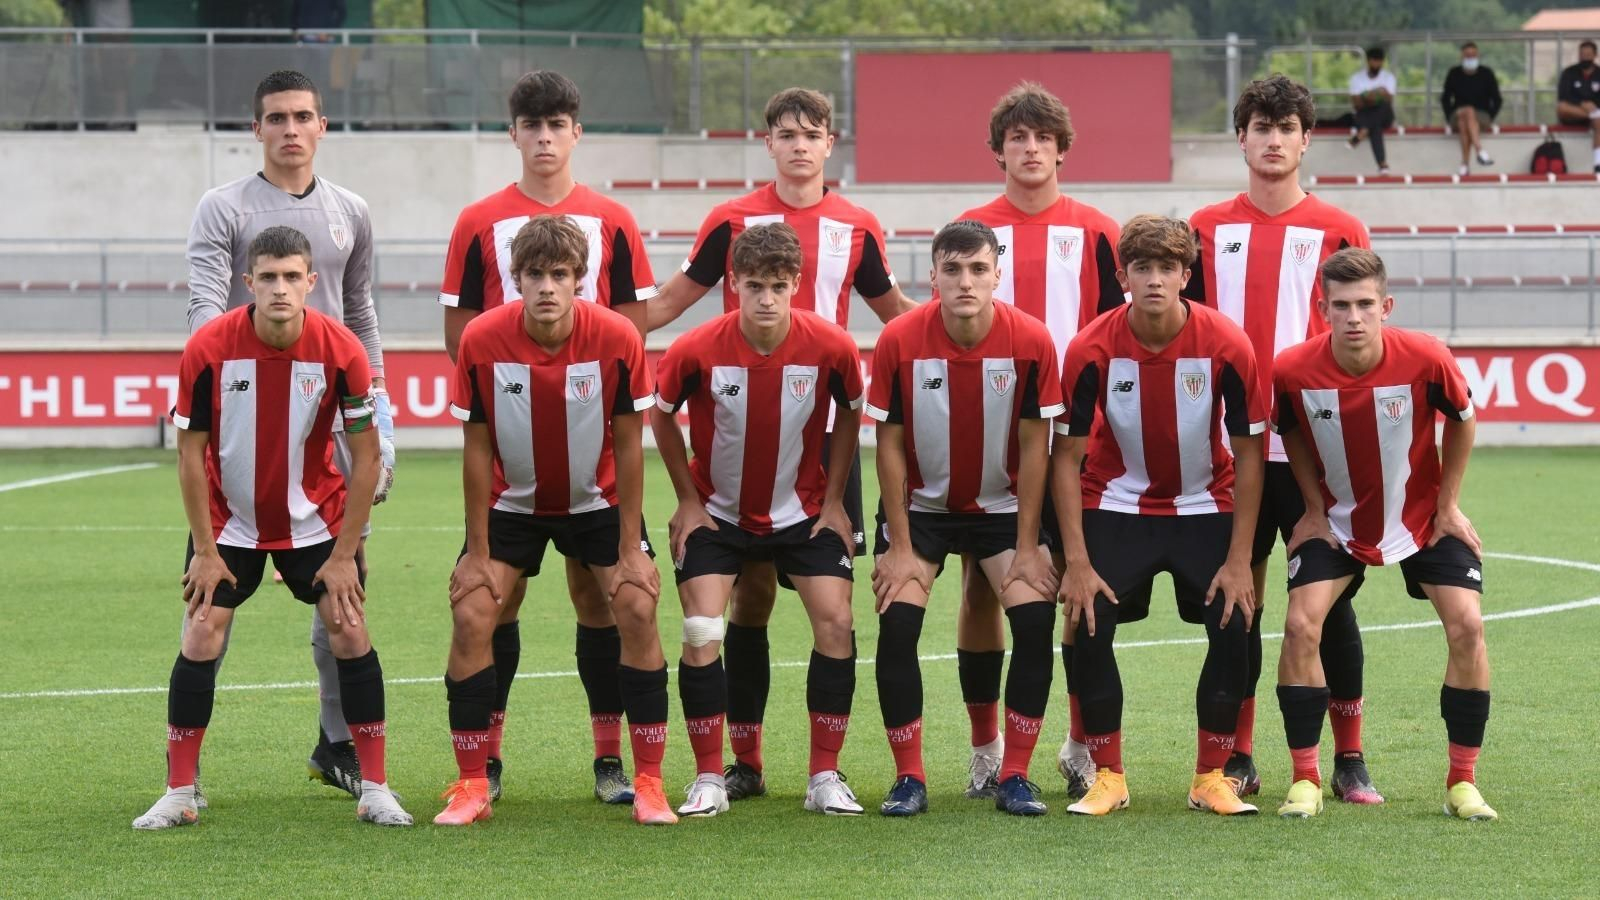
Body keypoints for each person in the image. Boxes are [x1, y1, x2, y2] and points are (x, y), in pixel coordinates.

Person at [645, 87, 917, 801]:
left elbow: (896, 317)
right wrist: (583, 324)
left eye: (812, 133)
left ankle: (823, 770)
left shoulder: (857, 227)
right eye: (786, 134)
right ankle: (743, 762)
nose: (799, 144)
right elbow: (670, 304)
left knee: (834, 613)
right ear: (768, 143)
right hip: (735, 441)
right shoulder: (730, 221)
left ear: (831, 143)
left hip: (821, 448)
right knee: (749, 604)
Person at [134, 226, 410, 829]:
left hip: (314, 519)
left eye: (292, 277)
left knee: (349, 628)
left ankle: (375, 787)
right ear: (247, 283)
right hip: (229, 522)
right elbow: (188, 455)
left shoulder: (341, 349)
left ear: (311, 282)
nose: (280, 288)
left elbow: (366, 459)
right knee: (202, 631)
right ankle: (181, 790)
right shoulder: (208, 348)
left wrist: (344, 555)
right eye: (268, 277)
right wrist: (204, 550)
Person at [437, 70, 659, 806]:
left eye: (556, 123)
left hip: (593, 455)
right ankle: (483, 769)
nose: (543, 137)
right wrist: (521, 396)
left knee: (605, 602)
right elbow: (459, 337)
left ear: (576, 131)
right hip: (514, 459)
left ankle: (612, 764)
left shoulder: (614, 221)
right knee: (491, 604)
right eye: (530, 124)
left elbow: (633, 330)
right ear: (513, 133)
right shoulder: (477, 222)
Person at [185, 68, 395, 804]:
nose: (291, 129)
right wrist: (219, 403)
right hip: (250, 407)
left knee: (340, 582)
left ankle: (337, 742)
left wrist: (381, 408)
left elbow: (362, 312)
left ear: (322, 125)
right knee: (216, 591)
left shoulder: (351, 210)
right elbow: (205, 306)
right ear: (258, 128)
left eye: (303, 116)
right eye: (276, 117)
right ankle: (188, 773)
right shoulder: (224, 206)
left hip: (336, 409)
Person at [1184, 74, 1380, 806]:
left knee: (1327, 605)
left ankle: (1351, 758)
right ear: (1241, 139)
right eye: (1259, 126)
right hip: (1223, 452)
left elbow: (1361, 343)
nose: (1272, 139)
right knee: (1237, 604)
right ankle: (1239, 757)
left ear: (1306, 138)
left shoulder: (1339, 227)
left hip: (1314, 455)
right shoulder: (1203, 227)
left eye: (1286, 126)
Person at [942, 82, 1124, 804]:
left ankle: (1080, 745)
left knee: (1081, 591)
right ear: (999, 151)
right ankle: (986, 750)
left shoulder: (1099, 232)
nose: (1030, 149)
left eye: (1042, 138)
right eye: (1017, 138)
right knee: (980, 588)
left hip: (1079, 443)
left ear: (1061, 149)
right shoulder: (969, 230)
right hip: (991, 441)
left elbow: (1121, 341)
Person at [1271, 247, 1495, 822]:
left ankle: (1463, 781)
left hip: (1421, 519)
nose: (1353, 317)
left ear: (1386, 306)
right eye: (1341, 305)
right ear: (1322, 309)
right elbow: (1290, 431)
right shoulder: (1292, 369)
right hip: (1340, 523)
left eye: (1365, 304)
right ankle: (1305, 779)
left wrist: (1449, 505)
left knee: (1468, 625)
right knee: (1300, 626)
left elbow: (1464, 420)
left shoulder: (1425, 357)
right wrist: (1314, 508)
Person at [1052, 215, 1265, 817]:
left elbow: (1249, 454)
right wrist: (1075, 561)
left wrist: (1240, 559)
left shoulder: (1227, 344)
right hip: (1116, 500)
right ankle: (1109, 775)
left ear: (1186, 276)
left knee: (1233, 620)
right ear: (1121, 276)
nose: (1153, 280)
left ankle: (1210, 777)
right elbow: (1065, 456)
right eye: (1141, 268)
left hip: (1206, 501)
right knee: (1088, 617)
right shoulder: (1090, 348)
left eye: (1166, 268)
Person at [651, 223, 866, 818]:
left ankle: (824, 774)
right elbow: (661, 416)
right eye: (753, 285)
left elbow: (851, 413)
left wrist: (834, 502)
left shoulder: (832, 346)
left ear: (797, 283)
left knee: (837, 624)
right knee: (701, 632)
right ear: (733, 284)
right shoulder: (695, 348)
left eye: (777, 285)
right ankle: (710, 777)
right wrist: (687, 501)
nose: (766, 298)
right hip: (717, 515)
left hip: (804, 515)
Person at [867, 219, 1063, 818]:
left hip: (1004, 508)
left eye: (978, 269)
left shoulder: (1031, 340)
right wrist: (898, 546)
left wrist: (1029, 545)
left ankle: (1015, 774)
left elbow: (1037, 448)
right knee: (897, 625)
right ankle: (909, 778)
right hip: (922, 511)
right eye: (952, 270)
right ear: (931, 276)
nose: (965, 282)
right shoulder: (899, 340)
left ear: (998, 275)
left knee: (1032, 621)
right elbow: (890, 445)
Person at [1440, 42, 1501, 176]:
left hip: (1482, 114)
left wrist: (1490, 117)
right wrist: (1449, 115)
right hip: (1457, 113)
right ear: (1461, 57)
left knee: (1465, 119)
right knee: (1466, 112)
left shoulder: (1486, 73)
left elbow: (1497, 99)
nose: (1470, 58)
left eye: (1473, 55)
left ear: (1478, 56)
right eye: (1467, 55)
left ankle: (1465, 164)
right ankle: (1479, 151)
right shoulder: (1454, 73)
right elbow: (1445, 98)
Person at [1347, 47, 1397, 175]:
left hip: (1383, 114)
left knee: (1383, 108)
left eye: (1379, 61)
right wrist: (1374, 96)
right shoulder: (1357, 78)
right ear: (1368, 61)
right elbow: (1357, 104)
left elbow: (1388, 100)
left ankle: (1363, 131)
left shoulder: (1388, 78)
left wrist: (1370, 97)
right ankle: (1383, 165)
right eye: (1374, 60)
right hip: (1365, 113)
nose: (1377, 64)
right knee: (1375, 126)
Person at [1556, 40, 1600, 173]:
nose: (1585, 57)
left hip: (1595, 115)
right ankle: (1593, 114)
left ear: (1595, 55)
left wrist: (1594, 105)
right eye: (1582, 54)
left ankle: (1598, 162)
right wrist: (1582, 104)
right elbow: (1563, 95)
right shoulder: (1569, 73)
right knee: (1561, 107)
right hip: (1573, 113)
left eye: (1588, 54)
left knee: (1598, 120)